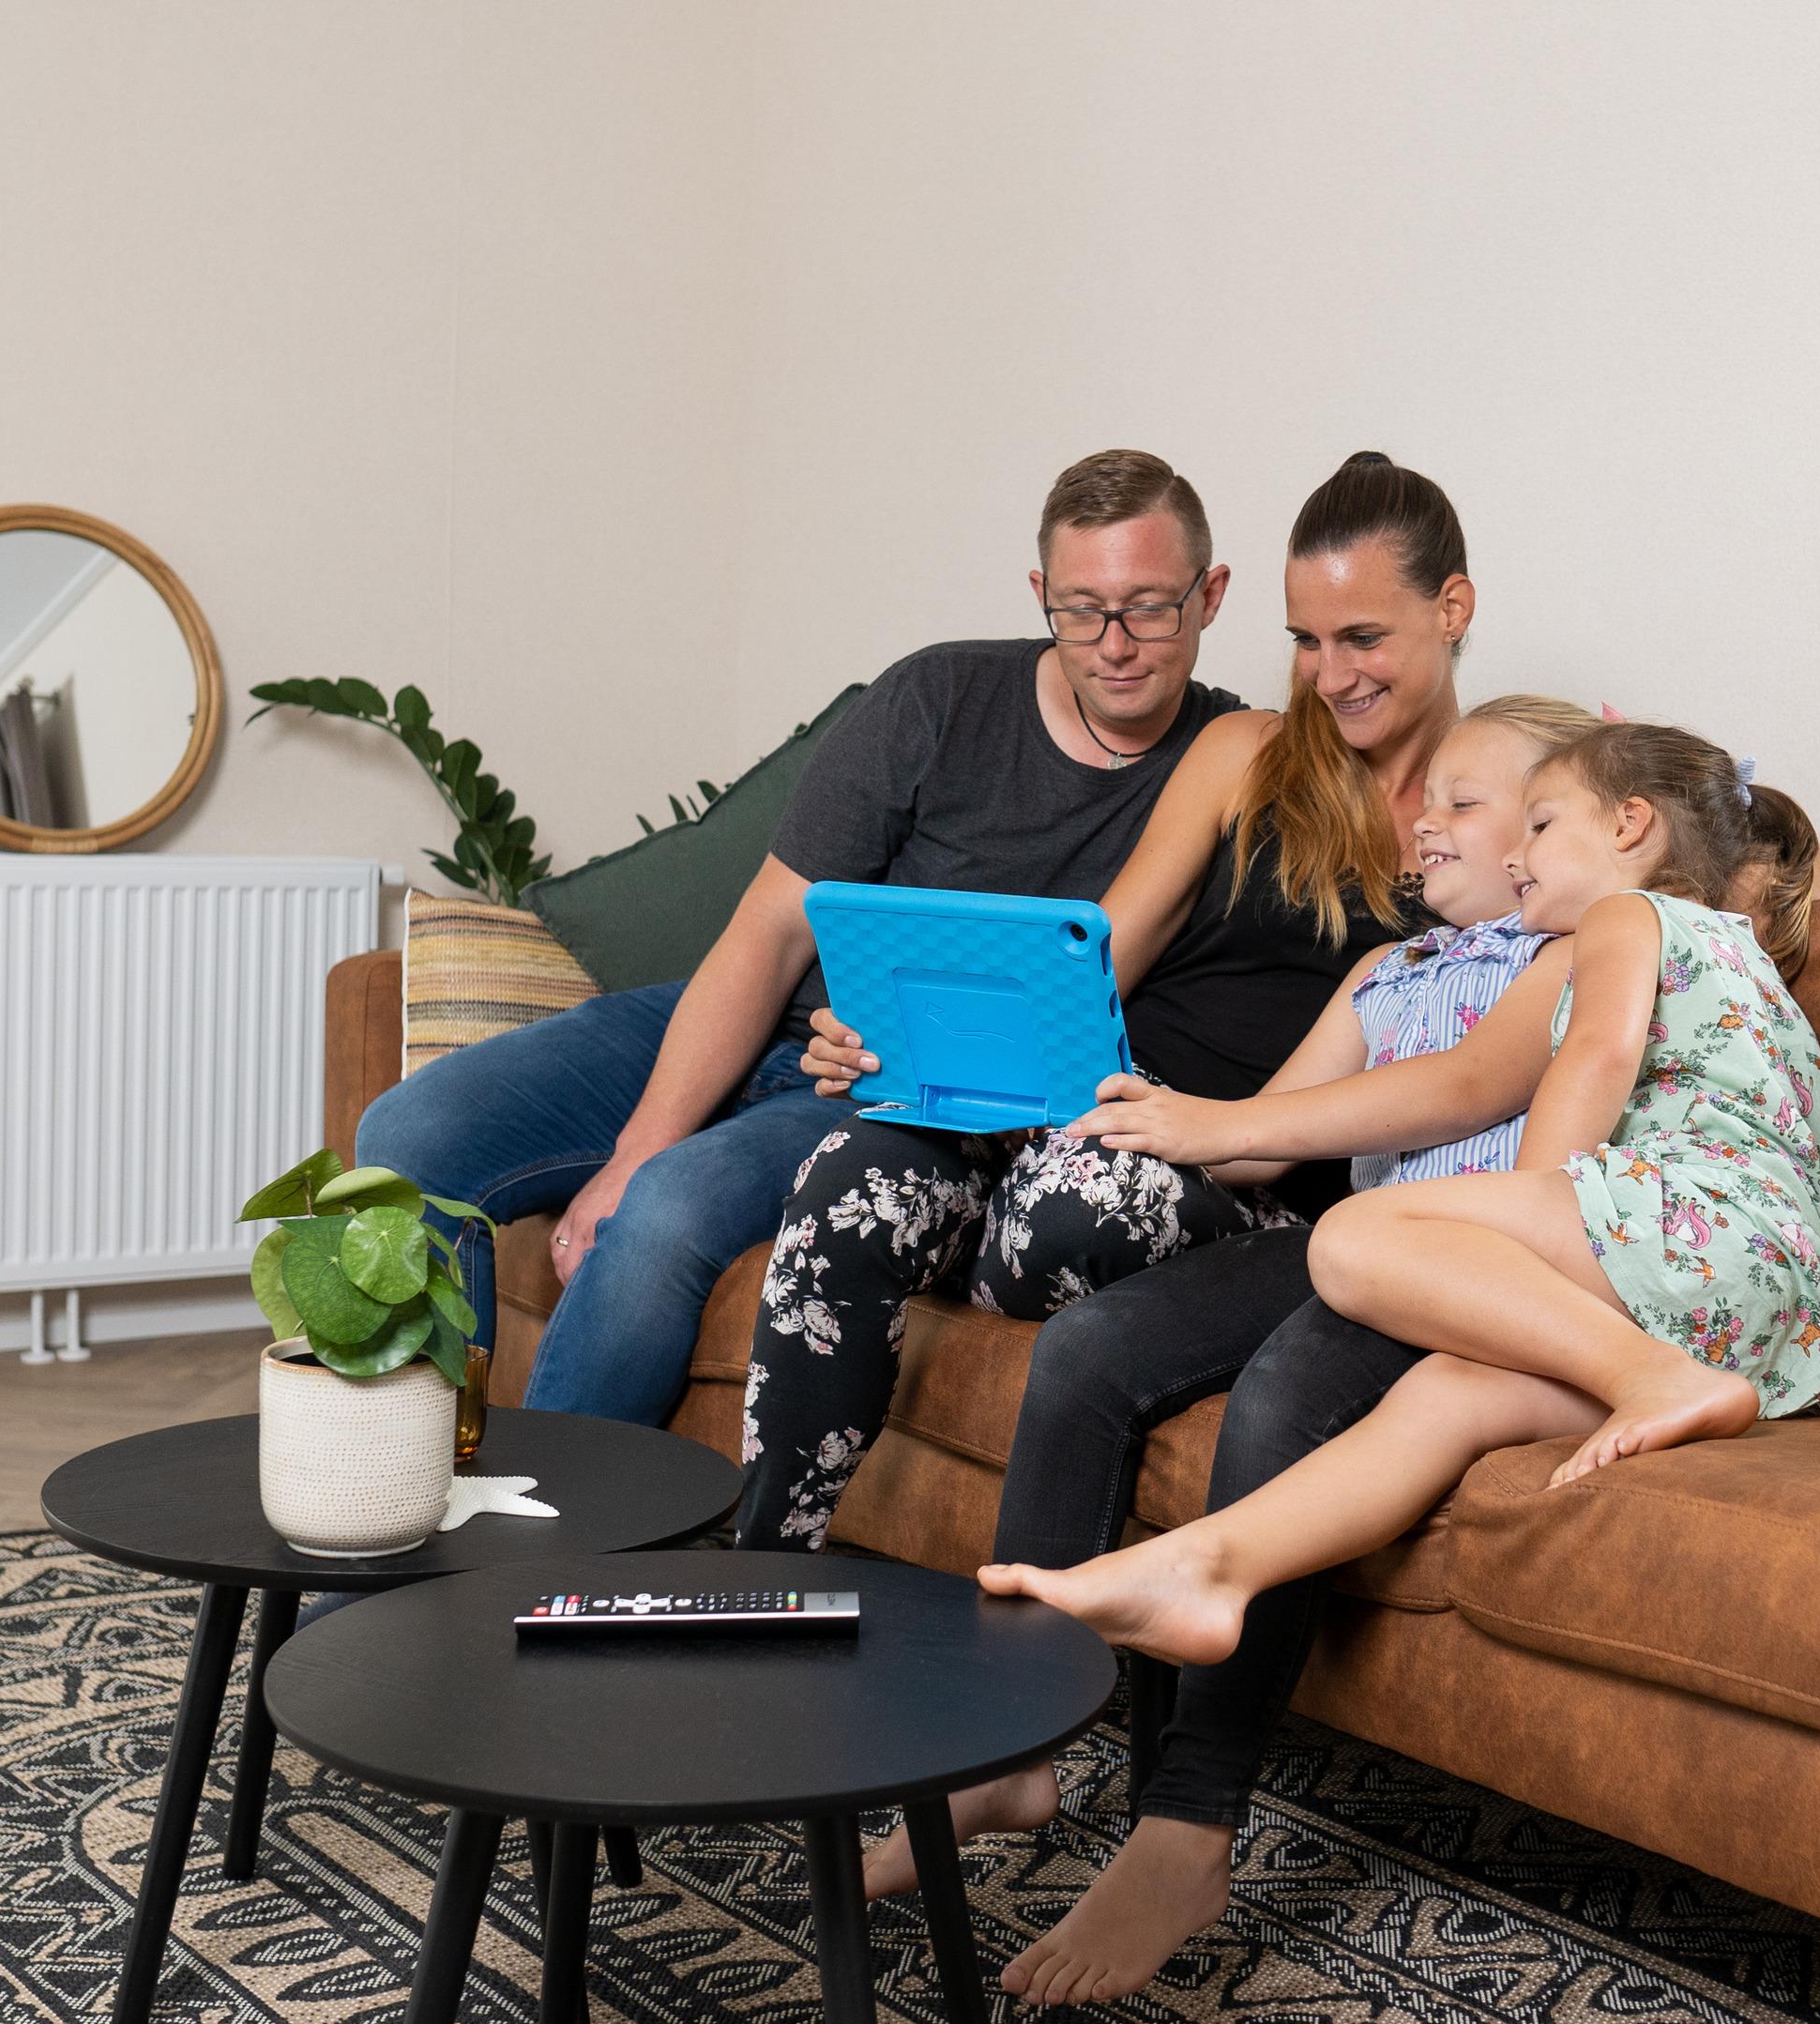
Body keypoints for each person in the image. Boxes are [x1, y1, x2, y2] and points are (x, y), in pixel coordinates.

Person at [985, 719, 1820, 1742]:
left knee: (1352, 1239)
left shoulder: (1628, 915)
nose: (1518, 853)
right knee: (1444, 1400)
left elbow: (1597, 1057)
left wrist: (1523, 1219)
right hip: (1777, 1317)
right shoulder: (1732, 952)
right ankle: (1215, 1568)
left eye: (1540, 823)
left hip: (1700, 1226)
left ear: (1631, 826)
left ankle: (1655, 1379)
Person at [353, 448, 1260, 1426]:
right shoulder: (938, 697)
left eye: (1149, 608)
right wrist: (636, 1147)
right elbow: (771, 930)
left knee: (666, 1211)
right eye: (1081, 610)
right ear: (1040, 594)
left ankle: (551, 1520)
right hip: (768, 1024)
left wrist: (650, 1175)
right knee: (405, 1137)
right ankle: (405, 1478)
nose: (1114, 644)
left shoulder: (1235, 763)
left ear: (1209, 596)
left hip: (881, 1096)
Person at [729, 451, 1480, 1547]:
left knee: (1068, 1206)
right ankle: (765, 1573)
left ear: (1452, 609)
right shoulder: (1246, 751)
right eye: (1306, 641)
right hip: (1091, 1091)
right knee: (849, 1176)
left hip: (1249, 1161)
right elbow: (1095, 960)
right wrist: (900, 1042)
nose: (1330, 676)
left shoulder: (1493, 814)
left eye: (1360, 637)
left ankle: (994, 1223)